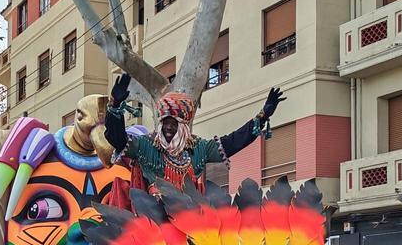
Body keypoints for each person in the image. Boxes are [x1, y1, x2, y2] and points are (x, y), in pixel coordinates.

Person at [102, 74, 286, 195]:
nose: (168, 128)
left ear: (183, 126)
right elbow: (117, 139)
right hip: (154, 219)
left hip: (189, 218)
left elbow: (232, 142)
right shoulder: (146, 144)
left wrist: (262, 117)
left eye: (173, 124)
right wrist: (115, 106)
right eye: (165, 123)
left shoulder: (199, 147)